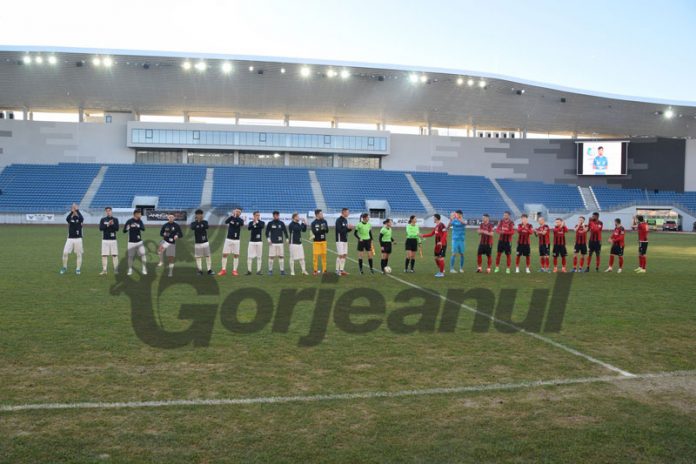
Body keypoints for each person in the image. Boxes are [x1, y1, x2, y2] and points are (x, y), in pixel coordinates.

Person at [219, 208, 244, 276]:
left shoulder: (241, 220)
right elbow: (226, 222)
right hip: (228, 239)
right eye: (236, 211)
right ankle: (223, 270)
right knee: (225, 254)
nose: (237, 212)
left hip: (236, 240)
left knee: (236, 255)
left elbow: (241, 224)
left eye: (238, 212)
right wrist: (232, 216)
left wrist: (236, 217)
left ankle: (234, 270)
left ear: (240, 213)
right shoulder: (231, 218)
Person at [421, 213, 447, 277]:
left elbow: (445, 234)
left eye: (434, 218)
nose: (433, 219)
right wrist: (423, 235)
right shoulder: (436, 226)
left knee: (440, 258)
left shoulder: (442, 225)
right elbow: (431, 234)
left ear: (436, 218)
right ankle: (441, 269)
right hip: (437, 245)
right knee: (436, 258)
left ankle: (441, 273)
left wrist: (441, 242)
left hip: (442, 244)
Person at [61, 202, 84, 275]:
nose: (74, 210)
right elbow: (67, 219)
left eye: (74, 209)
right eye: (72, 208)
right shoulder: (70, 218)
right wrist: (72, 212)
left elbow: (82, 218)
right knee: (65, 253)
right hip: (70, 238)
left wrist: (77, 210)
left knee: (79, 254)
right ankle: (64, 267)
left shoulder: (79, 218)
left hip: (78, 238)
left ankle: (78, 269)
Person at [123, 209, 147, 276]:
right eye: (140, 214)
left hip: (139, 242)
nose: (141, 215)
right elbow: (124, 231)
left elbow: (143, 229)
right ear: (136, 214)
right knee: (130, 256)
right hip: (131, 242)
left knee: (143, 255)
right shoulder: (129, 221)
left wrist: (138, 226)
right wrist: (127, 228)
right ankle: (130, 269)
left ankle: (144, 269)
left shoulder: (140, 221)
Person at [191, 209, 213, 275]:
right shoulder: (193, 223)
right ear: (196, 215)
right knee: (198, 257)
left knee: (208, 256)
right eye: (198, 214)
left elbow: (207, 227)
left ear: (202, 215)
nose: (199, 215)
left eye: (200, 214)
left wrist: (201, 221)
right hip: (197, 242)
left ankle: (209, 270)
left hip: (205, 242)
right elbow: (192, 228)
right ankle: (200, 270)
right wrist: (198, 221)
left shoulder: (205, 222)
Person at [266, 210, 289, 275]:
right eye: (275, 215)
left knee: (281, 256)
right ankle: (270, 271)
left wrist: (287, 238)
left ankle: (282, 271)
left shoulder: (281, 223)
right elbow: (266, 232)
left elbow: (285, 231)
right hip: (272, 243)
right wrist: (268, 239)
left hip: (280, 243)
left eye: (277, 215)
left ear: (278, 216)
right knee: (271, 257)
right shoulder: (270, 223)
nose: (276, 216)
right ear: (273, 216)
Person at [98, 206, 119, 275]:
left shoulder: (115, 219)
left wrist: (112, 224)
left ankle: (116, 270)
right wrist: (107, 225)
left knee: (114, 255)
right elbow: (101, 228)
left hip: (113, 240)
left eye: (109, 210)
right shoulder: (103, 219)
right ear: (105, 212)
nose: (108, 212)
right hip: (105, 240)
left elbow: (117, 229)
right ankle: (104, 270)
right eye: (107, 211)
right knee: (104, 255)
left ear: (111, 211)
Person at [335, 207, 353, 276]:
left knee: (345, 255)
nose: (348, 213)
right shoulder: (338, 220)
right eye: (347, 212)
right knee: (340, 255)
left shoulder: (345, 220)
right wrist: (347, 228)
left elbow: (345, 230)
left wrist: (350, 229)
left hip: (345, 240)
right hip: (340, 240)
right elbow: (339, 230)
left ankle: (342, 270)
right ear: (344, 212)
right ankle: (337, 270)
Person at [310, 209, 329, 275]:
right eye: (321, 214)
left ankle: (324, 270)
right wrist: (321, 229)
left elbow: (327, 231)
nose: (322, 215)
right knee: (315, 257)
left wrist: (325, 228)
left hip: (323, 241)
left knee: (324, 257)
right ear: (317, 214)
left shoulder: (324, 221)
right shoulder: (313, 223)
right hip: (316, 242)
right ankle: (315, 270)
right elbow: (314, 232)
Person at [246, 211, 265, 275]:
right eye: (257, 215)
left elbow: (262, 226)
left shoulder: (262, 222)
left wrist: (256, 222)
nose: (258, 216)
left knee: (259, 257)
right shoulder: (251, 222)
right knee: (249, 257)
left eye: (259, 215)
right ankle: (249, 271)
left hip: (259, 242)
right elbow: (249, 228)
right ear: (254, 216)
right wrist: (254, 223)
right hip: (251, 242)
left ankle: (258, 271)